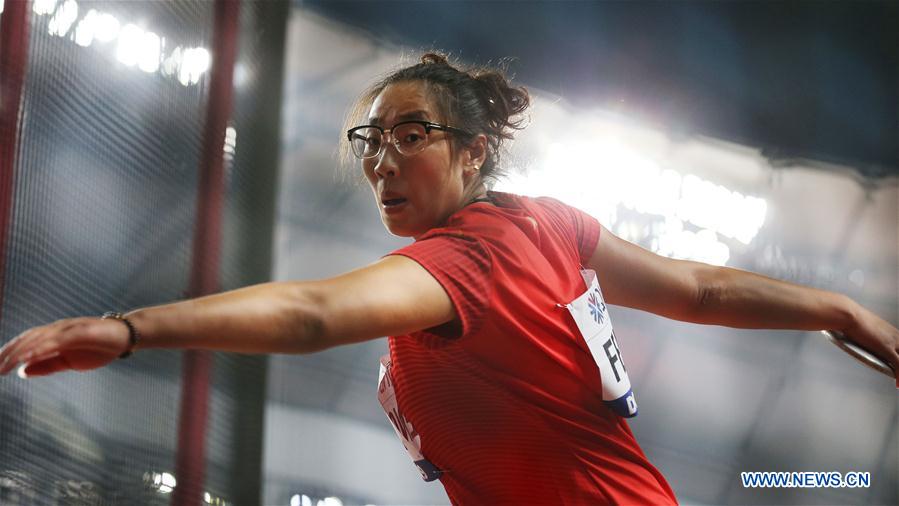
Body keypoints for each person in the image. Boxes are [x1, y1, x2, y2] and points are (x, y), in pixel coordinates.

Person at [0, 53, 897, 505]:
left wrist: (129, 328)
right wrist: (834, 307)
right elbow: (694, 290)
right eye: (370, 141)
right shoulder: (548, 223)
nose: (381, 160)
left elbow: (313, 313)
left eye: (410, 134)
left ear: (472, 154)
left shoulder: (472, 257)